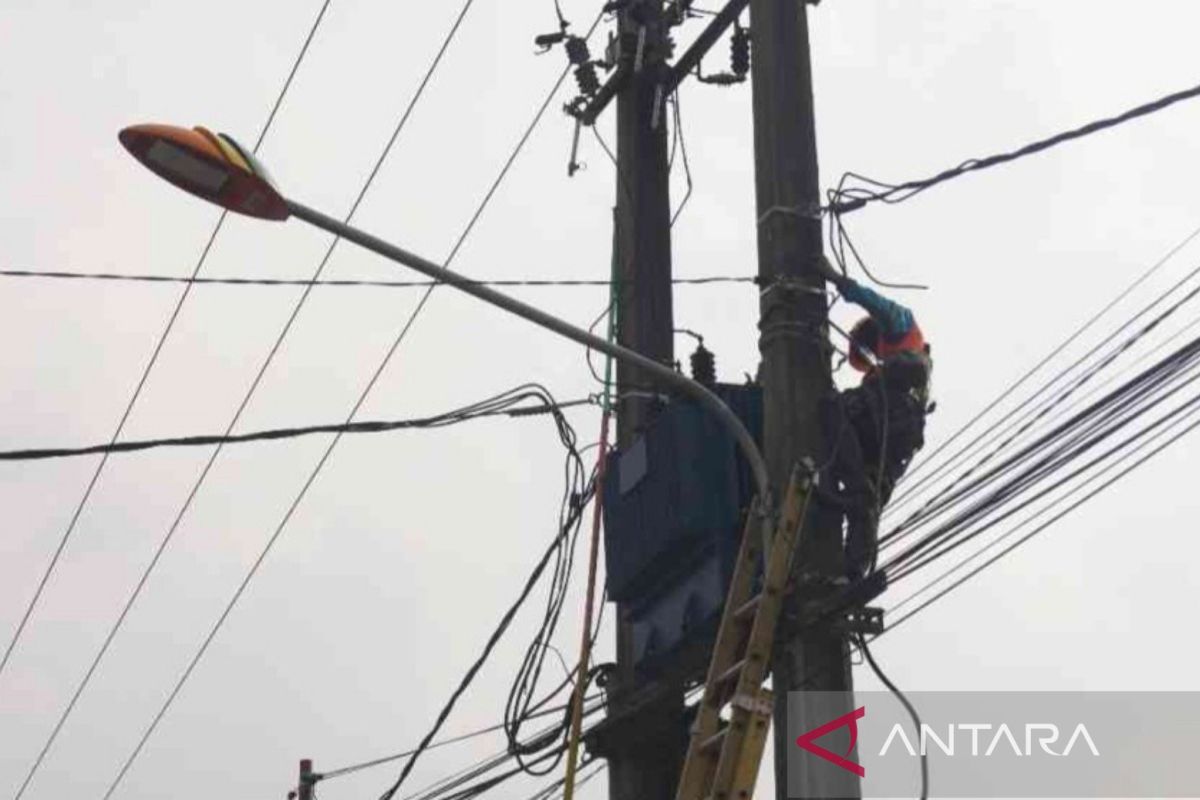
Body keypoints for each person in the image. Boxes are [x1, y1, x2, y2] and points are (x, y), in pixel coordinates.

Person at [815, 256, 933, 580]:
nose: (873, 358)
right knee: (869, 498)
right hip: (901, 433)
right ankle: (852, 571)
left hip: (892, 417)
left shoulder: (901, 324)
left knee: (831, 409)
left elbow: (873, 301)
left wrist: (836, 278)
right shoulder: (903, 364)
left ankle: (856, 487)